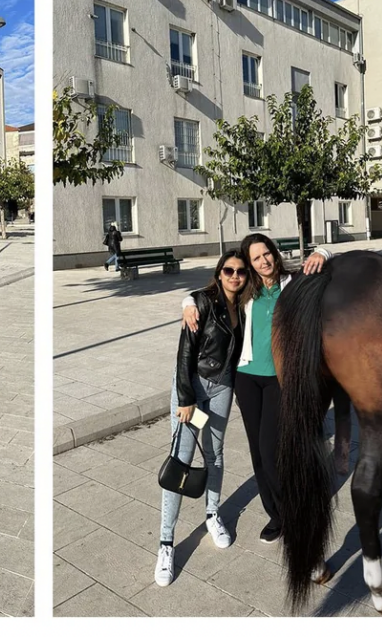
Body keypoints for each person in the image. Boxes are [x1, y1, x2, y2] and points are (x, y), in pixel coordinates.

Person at [182, 234, 330, 543]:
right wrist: (187, 303)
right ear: (249, 265)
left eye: (267, 254)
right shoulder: (246, 291)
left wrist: (323, 252)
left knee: (269, 446)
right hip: (246, 378)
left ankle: (290, 511)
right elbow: (209, 292)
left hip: (280, 378)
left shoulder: (294, 282)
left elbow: (332, 274)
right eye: (256, 258)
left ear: (274, 254)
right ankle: (276, 515)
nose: (263, 261)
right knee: (257, 451)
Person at [155, 250, 248, 587]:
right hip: (195, 390)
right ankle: (166, 543)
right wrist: (185, 397)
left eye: (240, 271)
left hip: (222, 390)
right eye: (228, 270)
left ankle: (212, 515)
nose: (235, 276)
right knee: (181, 461)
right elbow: (185, 351)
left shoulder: (242, 304)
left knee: (215, 456)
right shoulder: (203, 303)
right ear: (219, 272)